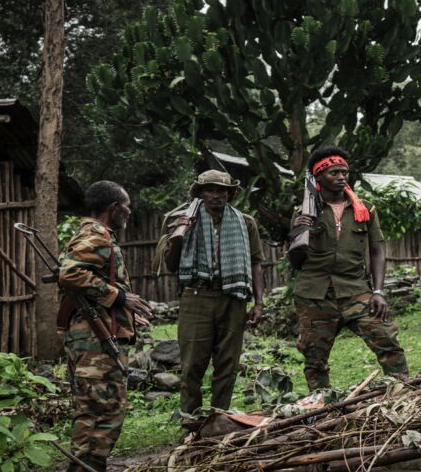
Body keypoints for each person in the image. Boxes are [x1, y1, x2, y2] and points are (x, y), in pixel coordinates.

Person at [291, 147, 408, 390]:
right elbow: (296, 262)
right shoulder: (305, 211)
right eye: (334, 173)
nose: (342, 177)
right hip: (315, 294)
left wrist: (378, 291)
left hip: (355, 289)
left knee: (386, 338)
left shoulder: (364, 209)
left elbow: (377, 250)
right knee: (314, 356)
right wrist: (300, 231)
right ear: (319, 177)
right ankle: (320, 405)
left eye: (344, 172)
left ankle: (403, 393)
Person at [58, 180, 152, 472]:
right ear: (113, 208)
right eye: (126, 206)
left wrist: (124, 311)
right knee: (101, 407)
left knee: (101, 406)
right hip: (92, 340)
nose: (128, 211)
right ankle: (85, 467)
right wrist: (119, 297)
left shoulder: (94, 235)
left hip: (94, 334)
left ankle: (89, 466)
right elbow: (69, 273)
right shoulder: (96, 236)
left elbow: (86, 279)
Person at [160, 170, 265, 413]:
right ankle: (191, 421)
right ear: (200, 193)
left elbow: (256, 262)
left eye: (222, 191)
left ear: (229, 194)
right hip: (196, 297)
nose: (216, 195)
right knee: (191, 365)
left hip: (233, 298)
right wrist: (179, 233)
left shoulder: (245, 222)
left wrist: (259, 302)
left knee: (227, 364)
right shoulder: (183, 220)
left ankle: (218, 418)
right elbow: (171, 265)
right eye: (210, 190)